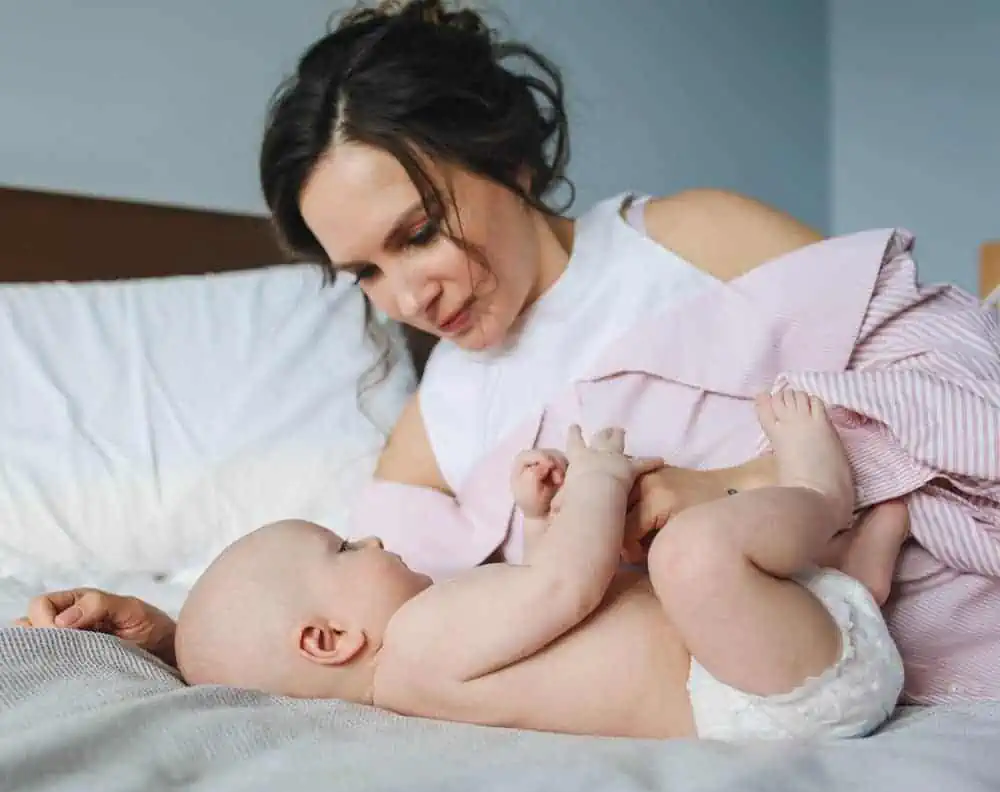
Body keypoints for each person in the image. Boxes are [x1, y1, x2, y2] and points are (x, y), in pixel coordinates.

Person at [16, 0, 1000, 703]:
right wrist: (167, 625)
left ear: (508, 157)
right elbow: (342, 624)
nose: (407, 297)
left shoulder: (690, 238)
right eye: (361, 271)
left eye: (417, 233)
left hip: (906, 602)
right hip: (760, 675)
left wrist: (737, 483)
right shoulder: (436, 421)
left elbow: (957, 379)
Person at [172, 391, 904, 741]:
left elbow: (544, 611)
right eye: (343, 548)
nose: (370, 543)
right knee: (688, 553)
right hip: (771, 688)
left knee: (686, 569)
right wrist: (596, 482)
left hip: (776, 660)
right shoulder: (418, 643)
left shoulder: (425, 677)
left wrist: (542, 517)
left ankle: (849, 583)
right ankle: (820, 494)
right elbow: (566, 586)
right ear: (329, 639)